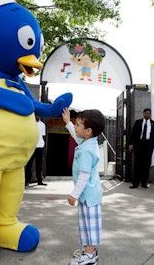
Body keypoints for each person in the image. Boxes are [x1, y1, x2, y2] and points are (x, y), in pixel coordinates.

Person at [62, 108, 104, 265]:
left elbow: (84, 175)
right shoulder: (87, 141)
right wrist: (67, 122)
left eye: (78, 124)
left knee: (90, 225)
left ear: (88, 131)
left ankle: (90, 256)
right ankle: (88, 250)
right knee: (85, 223)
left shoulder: (87, 149)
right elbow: (75, 134)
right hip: (87, 195)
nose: (76, 126)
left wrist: (74, 194)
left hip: (89, 195)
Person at [129, 108, 154, 188]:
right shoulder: (138, 122)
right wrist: (131, 144)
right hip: (139, 145)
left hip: (148, 146)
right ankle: (135, 183)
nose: (147, 115)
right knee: (137, 164)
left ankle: (144, 183)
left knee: (146, 165)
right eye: (146, 113)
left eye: (149, 113)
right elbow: (133, 134)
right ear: (143, 114)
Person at [25, 116, 47, 186]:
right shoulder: (31, 123)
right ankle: (27, 180)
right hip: (32, 145)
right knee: (29, 164)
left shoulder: (42, 124)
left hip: (40, 146)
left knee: (39, 164)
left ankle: (39, 180)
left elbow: (43, 135)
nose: (38, 116)